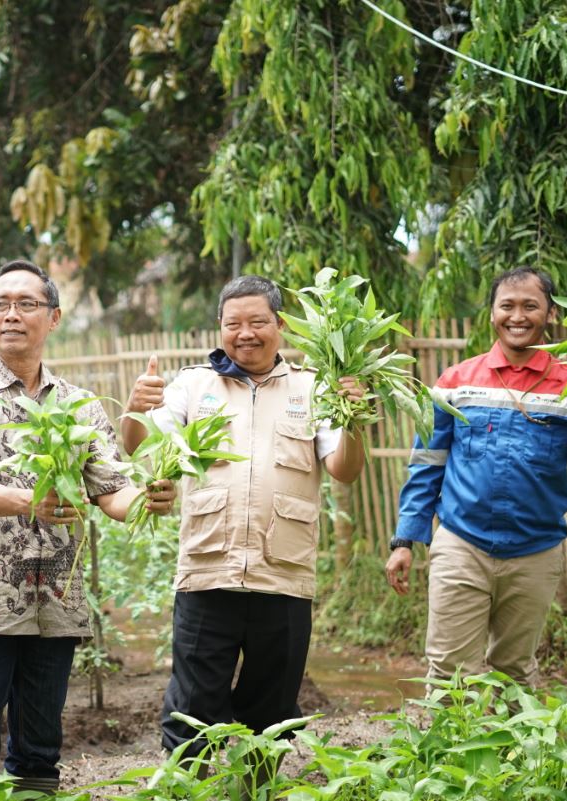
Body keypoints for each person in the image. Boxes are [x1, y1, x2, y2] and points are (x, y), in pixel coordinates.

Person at [0, 260, 176, 794]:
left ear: (54, 317)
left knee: (39, 754)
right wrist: (30, 502)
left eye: (26, 304)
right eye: (1, 304)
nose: (11, 315)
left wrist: (147, 500)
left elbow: (111, 489)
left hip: (55, 606)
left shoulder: (79, 406)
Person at [121, 274, 367, 763]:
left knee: (272, 713)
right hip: (208, 573)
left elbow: (345, 471)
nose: (245, 333)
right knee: (191, 711)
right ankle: (187, 792)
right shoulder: (194, 384)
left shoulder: (312, 388)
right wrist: (134, 409)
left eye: (258, 322)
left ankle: (259, 789)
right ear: (219, 327)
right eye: (233, 323)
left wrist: (354, 419)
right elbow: (137, 444)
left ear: (281, 326)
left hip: (284, 577)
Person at [385, 267, 567, 686]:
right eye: (506, 305)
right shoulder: (455, 382)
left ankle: (518, 752)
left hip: (535, 551)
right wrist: (406, 539)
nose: (518, 316)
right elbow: (427, 463)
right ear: (491, 314)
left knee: (514, 671)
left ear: (550, 314)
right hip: (462, 543)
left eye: (531, 306)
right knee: (449, 673)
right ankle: (453, 752)